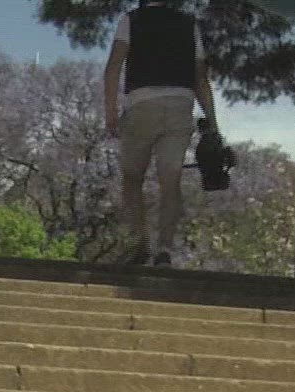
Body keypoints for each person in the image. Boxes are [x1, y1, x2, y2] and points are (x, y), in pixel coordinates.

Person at [103, 0, 215, 267]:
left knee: (133, 178)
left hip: (142, 103)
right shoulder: (189, 24)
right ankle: (165, 249)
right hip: (180, 104)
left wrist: (111, 113)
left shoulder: (131, 20)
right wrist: (213, 123)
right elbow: (201, 78)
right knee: (170, 180)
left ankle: (140, 244)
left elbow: (113, 68)